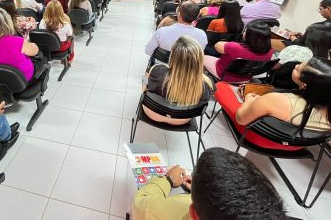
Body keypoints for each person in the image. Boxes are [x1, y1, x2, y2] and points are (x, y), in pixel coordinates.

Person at [132, 147, 288, 220]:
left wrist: (168, 180)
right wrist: (204, 192)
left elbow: (140, 204)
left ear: (194, 214)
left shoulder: (172, 212)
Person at [216, 57, 331, 151]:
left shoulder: (277, 100)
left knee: (221, 87)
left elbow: (240, 119)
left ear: (305, 84)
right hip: (296, 146)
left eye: (298, 69)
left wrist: (249, 101)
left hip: (260, 138)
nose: (295, 66)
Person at [145, 36, 213, 125]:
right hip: (182, 120)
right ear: (199, 60)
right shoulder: (207, 83)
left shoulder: (156, 70)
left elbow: (144, 91)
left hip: (153, 114)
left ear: (172, 56)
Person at [0, 7, 41, 81]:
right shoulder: (18, 41)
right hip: (22, 79)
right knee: (42, 59)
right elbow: (35, 51)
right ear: (7, 22)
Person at [203, 21, 274, 82]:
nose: (244, 32)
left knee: (201, 57)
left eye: (246, 31)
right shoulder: (270, 51)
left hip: (224, 75)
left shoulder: (234, 47)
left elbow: (217, 45)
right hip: (247, 77)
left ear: (249, 36)